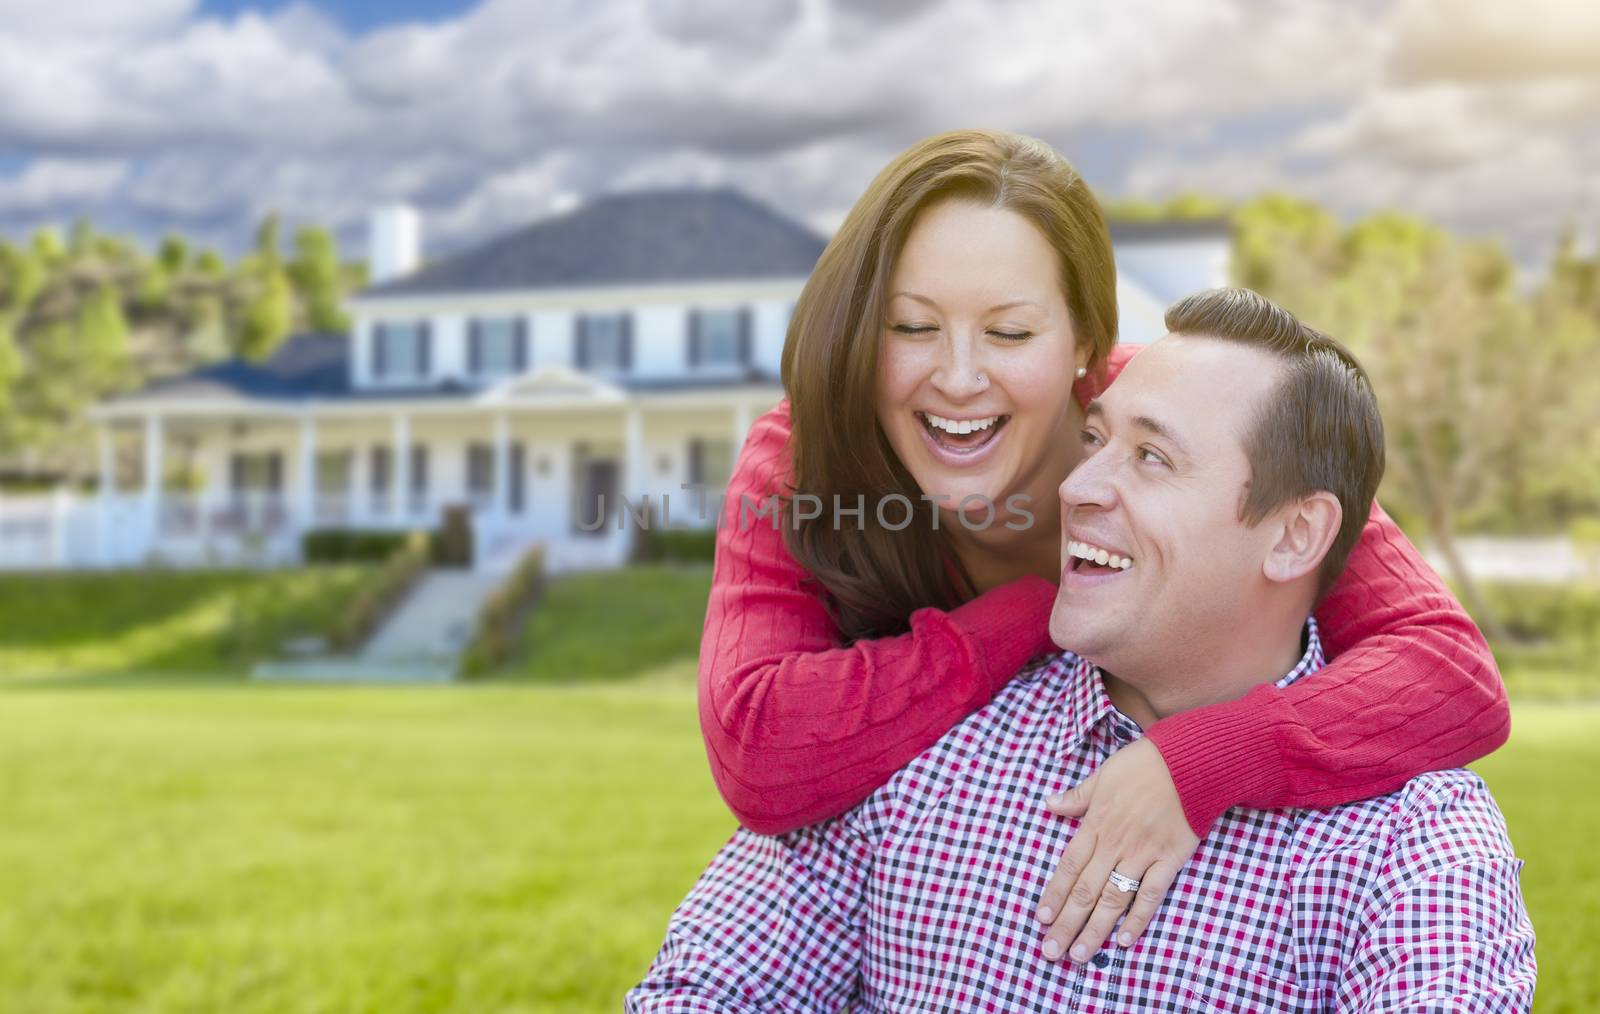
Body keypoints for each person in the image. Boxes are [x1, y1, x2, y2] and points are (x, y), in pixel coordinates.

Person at [696, 128, 1509, 959]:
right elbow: (760, 748)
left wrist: (1200, 761)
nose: (960, 378)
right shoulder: (804, 460)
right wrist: (1034, 610)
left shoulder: (1178, 423)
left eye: (1010, 334)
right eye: (911, 328)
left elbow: (1448, 674)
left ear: (1083, 342)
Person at [630, 288, 1536, 1011]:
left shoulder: (1415, 847)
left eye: (1152, 459)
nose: (1076, 485)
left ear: (1296, 537)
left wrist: (1203, 761)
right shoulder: (919, 741)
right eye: (1097, 440)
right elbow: (699, 992)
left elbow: (1452, 669)